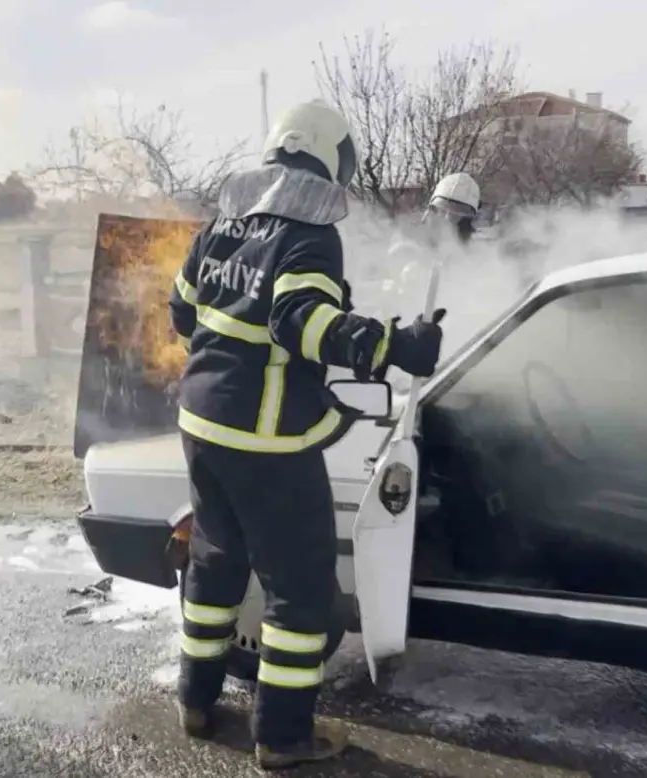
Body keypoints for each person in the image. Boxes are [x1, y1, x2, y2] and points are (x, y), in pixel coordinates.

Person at [168, 100, 445, 770]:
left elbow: (182, 312)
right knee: (298, 591)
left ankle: (196, 701)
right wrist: (395, 345)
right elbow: (303, 322)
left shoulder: (225, 224)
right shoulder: (309, 233)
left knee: (215, 564)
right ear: (328, 157)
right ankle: (283, 737)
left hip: (202, 427)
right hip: (267, 443)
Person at [383, 172, 482, 313]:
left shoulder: (470, 250)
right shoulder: (408, 238)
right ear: (433, 208)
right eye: (443, 210)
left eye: (456, 214)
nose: (447, 218)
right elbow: (390, 273)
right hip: (406, 315)